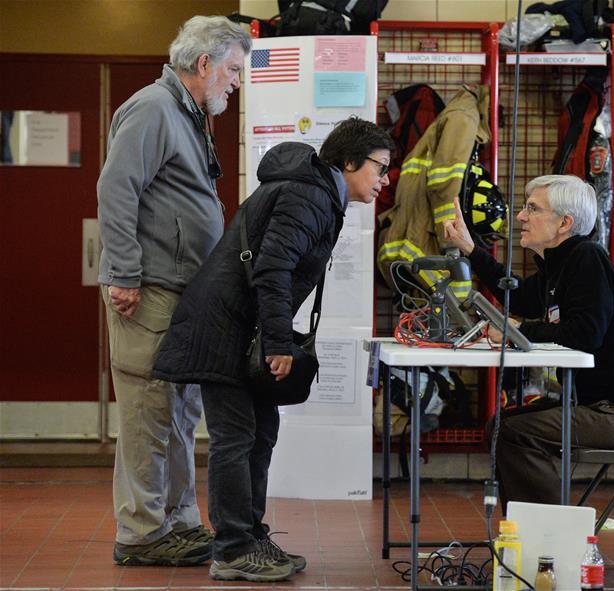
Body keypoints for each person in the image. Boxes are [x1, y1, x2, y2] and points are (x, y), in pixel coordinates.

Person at [152, 118, 394, 582]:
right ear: (348, 163)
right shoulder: (309, 195)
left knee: (260, 433)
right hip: (223, 329)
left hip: (241, 328)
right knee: (236, 437)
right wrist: (281, 343)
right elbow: (274, 270)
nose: (383, 181)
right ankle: (232, 549)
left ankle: (250, 535)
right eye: (379, 168)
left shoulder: (319, 193)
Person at [97, 16, 250, 566]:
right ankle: (141, 533)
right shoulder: (153, 108)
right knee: (147, 412)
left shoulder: (187, 115)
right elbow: (116, 191)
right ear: (204, 64)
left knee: (179, 412)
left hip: (181, 293)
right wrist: (123, 273)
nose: (237, 81)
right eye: (233, 69)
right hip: (150, 290)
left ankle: (179, 521)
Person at [443, 174, 614, 508]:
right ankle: (529, 534)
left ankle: (547, 540)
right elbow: (516, 298)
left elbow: (584, 335)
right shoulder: (560, 265)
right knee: (501, 426)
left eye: (533, 208)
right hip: (600, 407)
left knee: (511, 432)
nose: (520, 216)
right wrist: (471, 250)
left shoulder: (587, 258)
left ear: (564, 222)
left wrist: (518, 329)